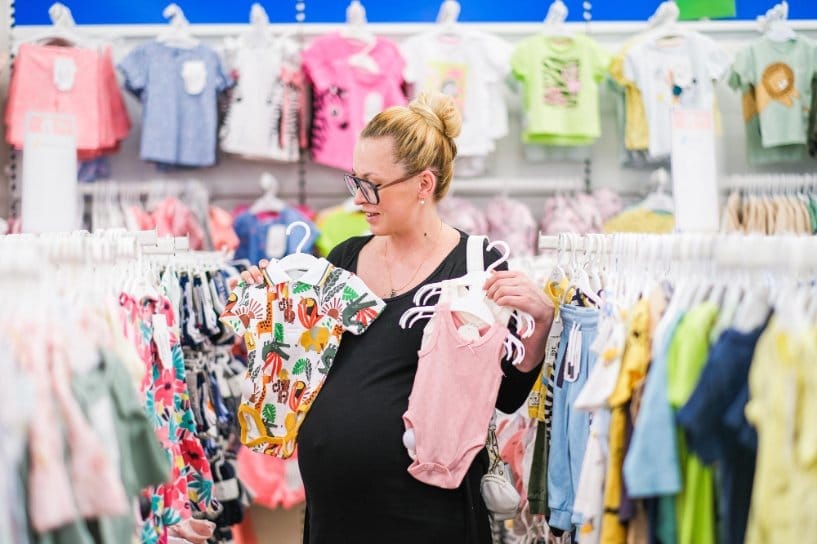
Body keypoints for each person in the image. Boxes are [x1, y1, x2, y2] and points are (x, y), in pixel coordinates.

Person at [240, 91, 554, 543]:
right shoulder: (346, 256)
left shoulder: (474, 265)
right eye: (355, 182)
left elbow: (504, 394)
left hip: (429, 514)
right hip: (335, 512)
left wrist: (540, 325)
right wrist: (270, 303)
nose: (359, 200)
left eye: (372, 184)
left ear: (424, 184)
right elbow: (300, 362)